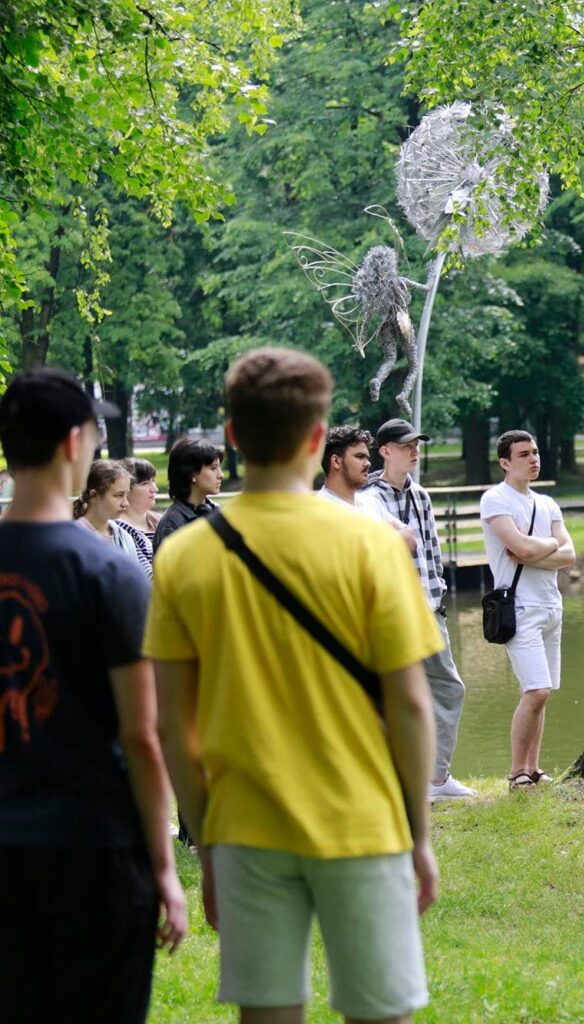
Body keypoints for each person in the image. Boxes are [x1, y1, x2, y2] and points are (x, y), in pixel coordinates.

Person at [149, 348, 442, 1022]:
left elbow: (174, 728)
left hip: (246, 828)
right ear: (319, 440)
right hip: (364, 820)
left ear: (233, 436)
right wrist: (418, 835)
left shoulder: (183, 557)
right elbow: (412, 703)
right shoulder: (371, 544)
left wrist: (206, 843)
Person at [0, 368, 186, 1022]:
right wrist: (164, 867)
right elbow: (142, 733)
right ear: (75, 444)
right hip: (93, 851)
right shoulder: (108, 571)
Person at [360, 418, 475, 800]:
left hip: (429, 611)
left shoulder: (420, 495)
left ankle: (436, 779)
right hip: (391, 615)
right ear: (385, 450)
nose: (414, 451)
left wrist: (439, 596)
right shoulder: (368, 497)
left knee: (447, 688)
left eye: (417, 444)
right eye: (406, 445)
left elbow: (432, 552)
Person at [479, 430, 576, 790]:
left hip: (552, 605)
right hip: (518, 607)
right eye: (524, 454)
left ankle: (534, 768)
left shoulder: (548, 503)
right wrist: (548, 548)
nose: (533, 459)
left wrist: (541, 549)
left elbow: (569, 555)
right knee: (535, 691)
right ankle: (517, 771)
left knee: (543, 691)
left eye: (535, 452)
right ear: (505, 462)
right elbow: (518, 546)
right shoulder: (495, 500)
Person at [154, 436, 223, 552]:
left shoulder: (218, 512)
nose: (221, 475)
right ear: (191, 474)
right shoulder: (172, 524)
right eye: (213, 468)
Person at [73, 458, 139, 560]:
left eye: (127, 495)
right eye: (119, 495)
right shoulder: (76, 539)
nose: (125, 503)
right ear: (94, 495)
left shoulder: (124, 537)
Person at [116, 458, 162, 577]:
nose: (155, 489)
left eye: (153, 481)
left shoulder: (161, 521)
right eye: (145, 483)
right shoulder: (118, 531)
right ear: (126, 489)